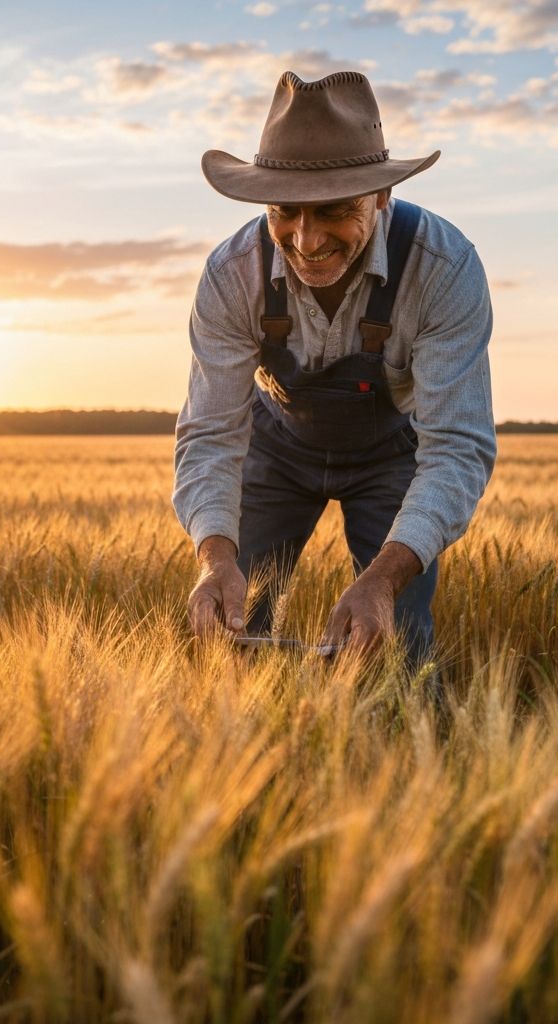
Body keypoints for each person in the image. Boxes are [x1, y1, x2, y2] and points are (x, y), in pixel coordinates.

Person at [172, 69, 497, 665]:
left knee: (395, 648)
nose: (305, 239)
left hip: (393, 455)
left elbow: (456, 446)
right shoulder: (231, 274)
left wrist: (383, 581)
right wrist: (215, 559)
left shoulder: (443, 269)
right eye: (284, 213)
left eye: (332, 212)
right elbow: (212, 432)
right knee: (218, 637)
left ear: (380, 196)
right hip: (275, 449)